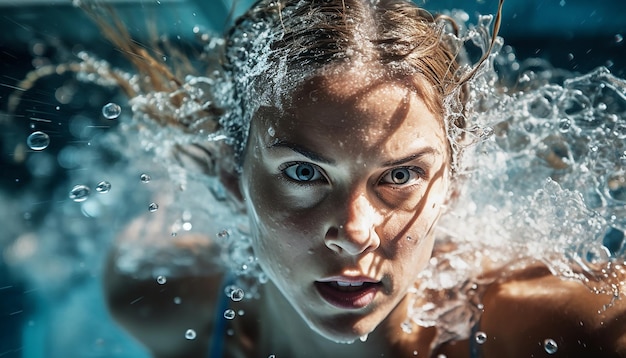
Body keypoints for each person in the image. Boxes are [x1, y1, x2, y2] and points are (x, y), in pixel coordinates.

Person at [97, 0, 626, 357]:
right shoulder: (155, 295)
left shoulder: (563, 328)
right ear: (233, 179)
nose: (354, 231)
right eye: (303, 172)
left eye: (400, 175)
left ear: (453, 183)